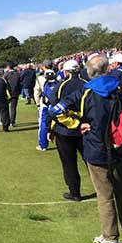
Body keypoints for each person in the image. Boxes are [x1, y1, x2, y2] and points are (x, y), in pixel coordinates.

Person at [50, 55, 122, 243]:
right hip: (121, 147)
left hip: (95, 149)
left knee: (104, 195)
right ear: (108, 68)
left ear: (89, 71)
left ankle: (110, 236)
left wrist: (77, 124)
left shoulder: (85, 92)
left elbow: (56, 110)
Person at [48, 60, 88, 201]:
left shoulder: (61, 85)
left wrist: (50, 129)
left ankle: (74, 192)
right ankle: (104, 188)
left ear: (65, 71)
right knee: (91, 162)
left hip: (64, 130)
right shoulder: (87, 83)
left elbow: (53, 109)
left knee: (69, 163)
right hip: (86, 128)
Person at [34, 69, 57, 151]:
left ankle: (43, 145)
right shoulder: (58, 78)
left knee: (43, 124)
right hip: (56, 104)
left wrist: (37, 104)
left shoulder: (40, 79)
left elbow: (36, 92)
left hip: (45, 104)